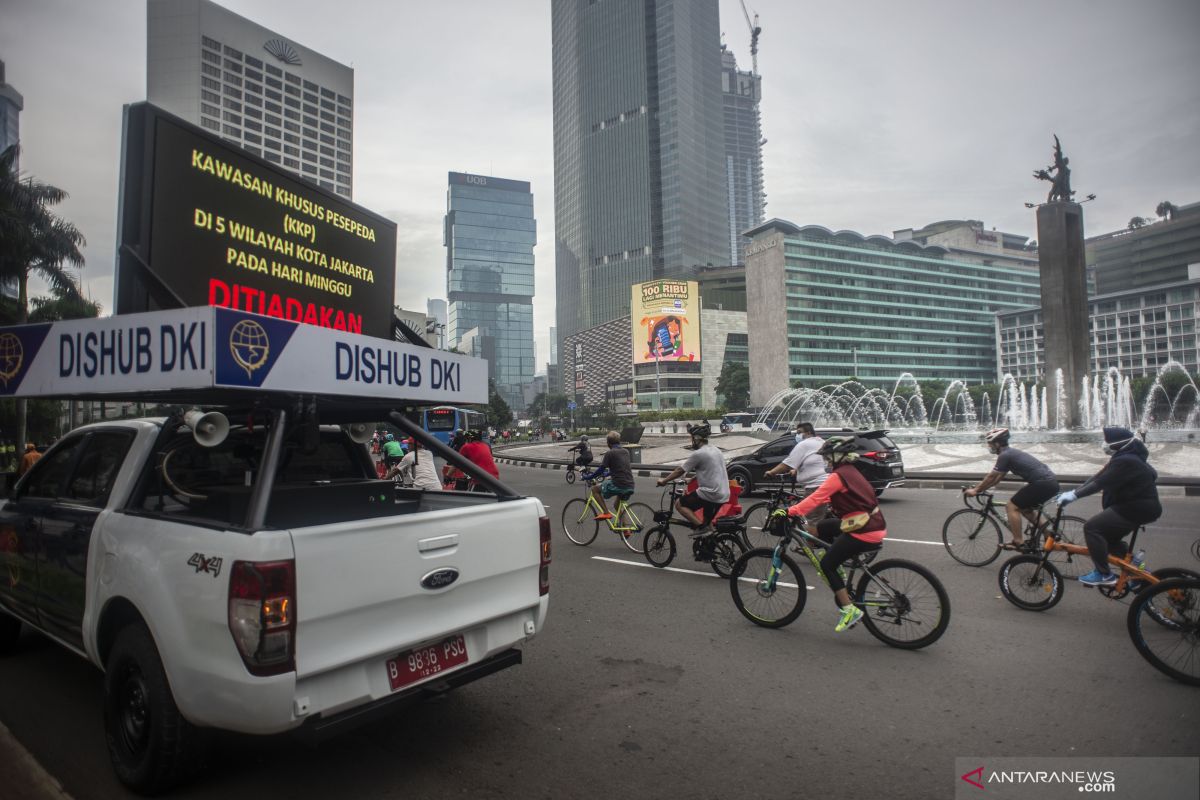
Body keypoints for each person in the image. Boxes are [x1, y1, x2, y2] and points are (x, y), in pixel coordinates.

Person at [778, 436, 887, 633]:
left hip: (864, 530)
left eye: (828, 458)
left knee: (826, 564)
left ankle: (848, 609)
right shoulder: (851, 471)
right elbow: (826, 496)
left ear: (838, 456)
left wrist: (789, 511)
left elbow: (816, 498)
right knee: (822, 527)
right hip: (871, 523)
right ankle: (840, 571)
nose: (826, 462)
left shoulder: (837, 477)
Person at [1057, 426, 1162, 587]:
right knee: (1109, 539)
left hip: (1136, 508)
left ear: (1117, 443)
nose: (1104, 443)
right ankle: (1135, 569)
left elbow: (1099, 484)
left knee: (1092, 528)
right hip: (1138, 507)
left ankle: (1104, 574)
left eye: (1107, 440)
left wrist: (1073, 497)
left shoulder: (1126, 461)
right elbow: (1096, 477)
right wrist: (1073, 491)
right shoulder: (1124, 457)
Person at [964, 428, 1059, 550]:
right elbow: (996, 479)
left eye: (990, 443)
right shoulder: (1010, 453)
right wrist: (980, 488)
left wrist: (975, 490)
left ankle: (1018, 541)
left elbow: (991, 476)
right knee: (1024, 509)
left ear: (997, 444)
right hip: (1051, 483)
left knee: (1011, 506)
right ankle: (1047, 534)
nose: (989, 446)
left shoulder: (1005, 455)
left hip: (1041, 483)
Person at [655, 423, 729, 535]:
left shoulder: (699, 453)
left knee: (679, 504)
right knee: (707, 523)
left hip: (710, 493)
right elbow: (711, 469)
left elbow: (680, 470)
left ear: (697, 439)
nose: (691, 441)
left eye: (692, 438)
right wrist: (692, 479)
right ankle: (713, 543)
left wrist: (663, 481)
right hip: (723, 493)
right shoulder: (716, 450)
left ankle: (700, 528)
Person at [583, 431, 636, 520]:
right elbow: (620, 467)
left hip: (618, 484)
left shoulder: (610, 453)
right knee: (616, 505)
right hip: (630, 484)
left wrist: (589, 477)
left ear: (608, 443)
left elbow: (601, 469)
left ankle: (606, 513)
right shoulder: (626, 452)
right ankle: (626, 530)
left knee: (594, 489)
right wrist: (607, 474)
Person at [763, 422, 826, 495]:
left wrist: (772, 472)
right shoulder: (821, 442)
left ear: (808, 433)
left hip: (815, 486)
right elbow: (812, 460)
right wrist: (795, 470)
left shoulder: (804, 444)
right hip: (825, 483)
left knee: (806, 506)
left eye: (799, 433)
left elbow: (787, 463)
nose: (797, 435)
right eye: (797, 433)